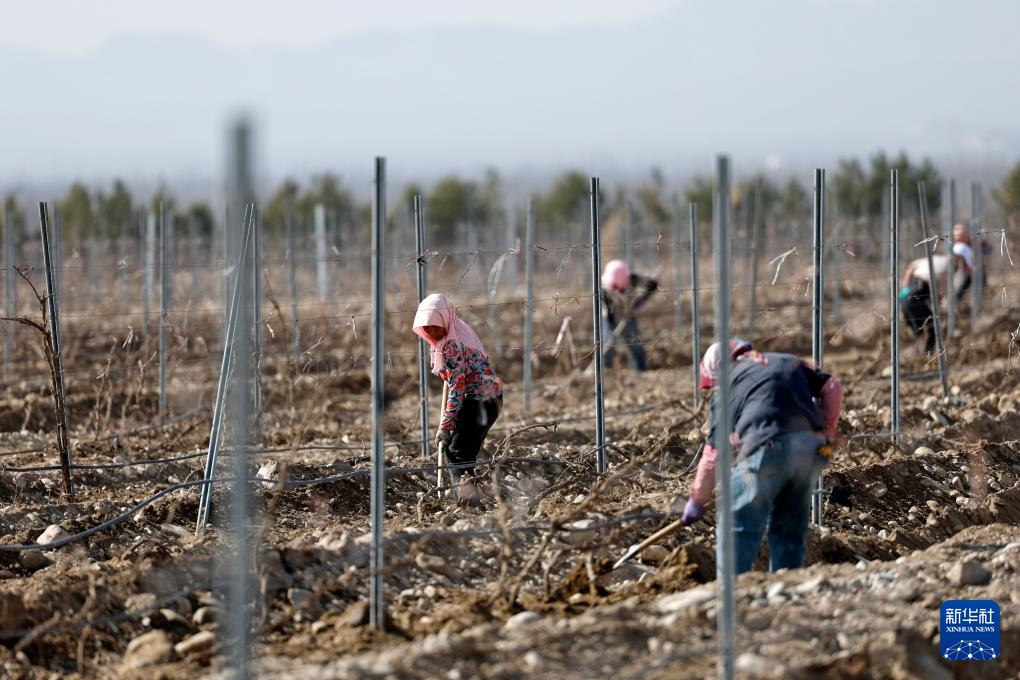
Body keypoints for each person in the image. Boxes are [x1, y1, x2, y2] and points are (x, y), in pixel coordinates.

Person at [681, 339, 844, 574]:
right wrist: (827, 431)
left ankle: (731, 593)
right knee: (789, 526)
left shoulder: (728, 389)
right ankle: (785, 586)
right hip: (813, 452)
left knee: (737, 525)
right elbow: (832, 387)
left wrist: (697, 499)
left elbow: (714, 454)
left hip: (769, 447)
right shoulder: (788, 361)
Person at [412, 293, 503, 505]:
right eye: (428, 328)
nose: (432, 332)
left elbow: (456, 389)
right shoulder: (459, 329)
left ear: (445, 320)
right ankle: (470, 499)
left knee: (456, 451)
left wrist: (445, 425)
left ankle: (466, 502)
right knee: (463, 450)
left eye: (436, 326)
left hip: (480, 400)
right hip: (490, 398)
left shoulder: (451, 345)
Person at [899, 239, 972, 353]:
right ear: (959, 260)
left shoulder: (936, 259)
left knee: (920, 330)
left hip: (904, 297)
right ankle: (927, 356)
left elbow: (912, 266)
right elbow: (939, 296)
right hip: (915, 296)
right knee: (933, 327)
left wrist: (905, 289)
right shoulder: (948, 272)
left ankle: (917, 353)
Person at [600, 259, 658, 371]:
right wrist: (613, 329)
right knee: (608, 345)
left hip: (628, 315)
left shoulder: (631, 279)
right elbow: (608, 308)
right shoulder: (603, 287)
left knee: (635, 344)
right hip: (608, 316)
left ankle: (641, 370)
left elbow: (653, 284)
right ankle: (605, 371)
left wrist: (642, 299)